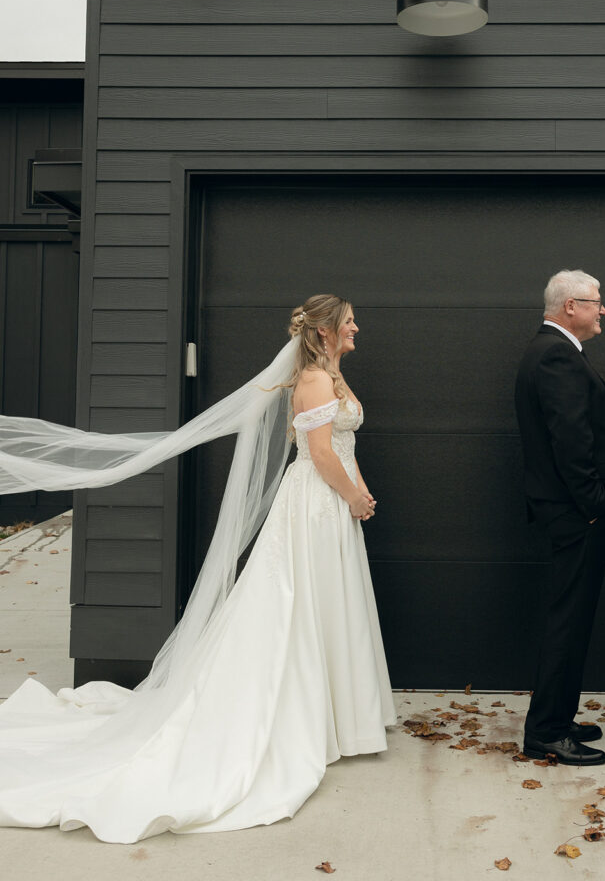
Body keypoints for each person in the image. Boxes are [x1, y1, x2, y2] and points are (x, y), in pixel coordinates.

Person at [0, 294, 395, 842]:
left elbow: (339, 449)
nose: (357, 327)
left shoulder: (327, 375)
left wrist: (359, 492)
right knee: (301, 605)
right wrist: (353, 495)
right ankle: (305, 721)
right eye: (349, 320)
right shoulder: (315, 381)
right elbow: (322, 454)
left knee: (325, 603)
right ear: (326, 331)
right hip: (315, 504)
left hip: (330, 502)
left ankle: (336, 718)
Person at [515, 270, 605, 766]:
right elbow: (572, 444)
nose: (603, 310)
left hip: (573, 512)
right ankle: (545, 731)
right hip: (576, 515)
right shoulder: (556, 356)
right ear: (570, 306)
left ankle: (559, 718)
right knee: (568, 622)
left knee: (575, 619)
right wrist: (595, 509)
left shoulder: (556, 353)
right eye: (596, 302)